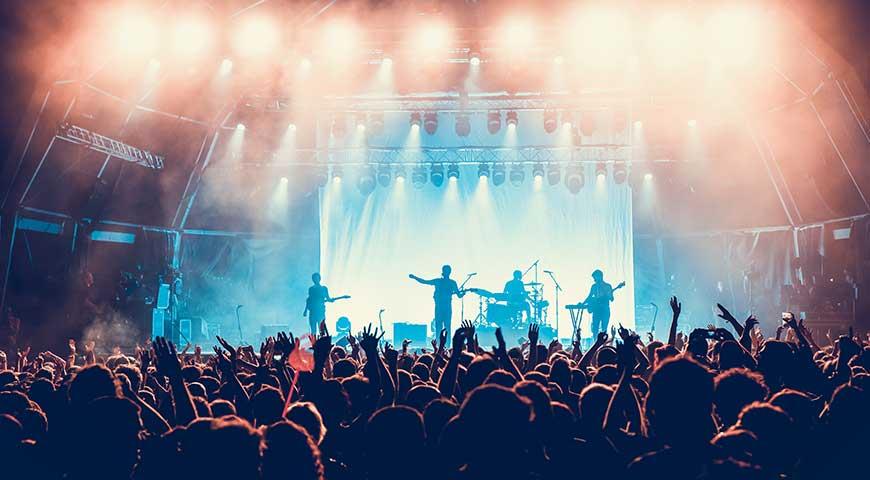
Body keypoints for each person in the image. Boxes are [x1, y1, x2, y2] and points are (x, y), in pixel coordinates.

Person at [409, 265, 465, 344]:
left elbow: (425, 281)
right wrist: (415, 277)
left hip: (442, 308)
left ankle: (441, 346)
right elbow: (459, 295)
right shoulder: (450, 282)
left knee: (442, 327)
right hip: (444, 308)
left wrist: (415, 277)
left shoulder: (442, 281)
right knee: (445, 327)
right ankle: (444, 345)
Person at [583, 269, 614, 336]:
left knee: (604, 329)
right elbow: (589, 297)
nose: (594, 280)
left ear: (600, 276)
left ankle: (604, 344)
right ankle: (595, 343)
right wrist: (582, 304)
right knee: (595, 329)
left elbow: (612, 299)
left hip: (605, 310)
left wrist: (608, 294)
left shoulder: (608, 286)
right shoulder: (594, 286)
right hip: (596, 310)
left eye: (595, 278)